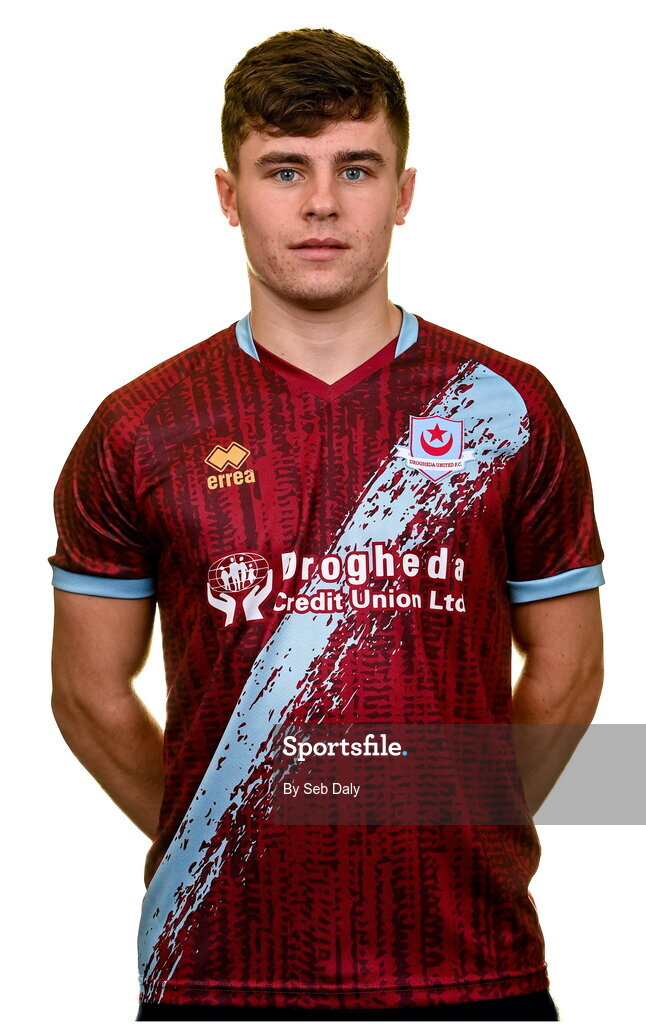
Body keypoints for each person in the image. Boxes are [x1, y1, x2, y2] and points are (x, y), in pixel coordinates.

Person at [48, 26, 604, 1023]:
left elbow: (568, 668)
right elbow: (88, 693)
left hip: (469, 967)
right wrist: (220, 827)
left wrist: (458, 821)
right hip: (216, 973)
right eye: (283, 169)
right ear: (229, 195)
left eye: (355, 168)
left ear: (403, 192)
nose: (320, 203)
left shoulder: (506, 406)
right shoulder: (142, 425)